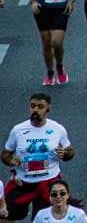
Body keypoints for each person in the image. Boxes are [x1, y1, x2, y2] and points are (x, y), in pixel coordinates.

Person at [2, 94, 75, 223]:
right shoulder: (18, 130)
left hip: (48, 184)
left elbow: (70, 151)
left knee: (47, 219)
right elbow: (5, 154)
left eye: (40, 106)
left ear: (48, 109)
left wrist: (65, 154)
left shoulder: (58, 129)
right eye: (32, 106)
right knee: (4, 215)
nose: (35, 110)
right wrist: (10, 161)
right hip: (23, 183)